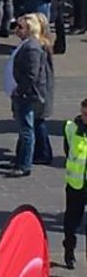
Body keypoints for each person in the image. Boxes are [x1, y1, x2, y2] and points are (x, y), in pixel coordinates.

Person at [9, 13, 54, 177]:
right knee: (26, 128)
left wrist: (19, 90)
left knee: (27, 130)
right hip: (26, 93)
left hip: (27, 95)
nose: (17, 30)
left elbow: (32, 75)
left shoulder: (32, 48)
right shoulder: (28, 44)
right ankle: (20, 159)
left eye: (20, 27)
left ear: (30, 29)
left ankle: (24, 164)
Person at [65, 97, 87, 268]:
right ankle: (69, 250)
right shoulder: (71, 128)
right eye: (83, 113)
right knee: (71, 222)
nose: (84, 117)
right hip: (75, 185)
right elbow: (68, 150)